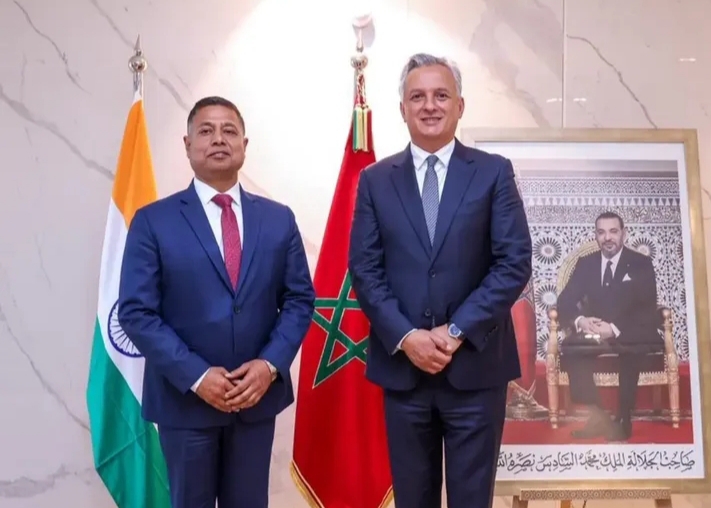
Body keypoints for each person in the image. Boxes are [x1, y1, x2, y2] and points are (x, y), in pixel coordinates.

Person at [348, 53, 533, 508]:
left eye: (441, 95)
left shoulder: (493, 171)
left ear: (460, 106)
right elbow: (365, 269)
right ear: (403, 109)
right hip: (404, 372)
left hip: (476, 369)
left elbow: (513, 262)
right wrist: (407, 336)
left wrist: (455, 331)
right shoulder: (375, 180)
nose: (429, 105)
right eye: (418, 97)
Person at [118, 96, 315, 508]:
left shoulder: (278, 219)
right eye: (206, 131)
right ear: (187, 144)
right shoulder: (153, 221)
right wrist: (196, 375)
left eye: (229, 131)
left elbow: (299, 299)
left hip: (255, 400)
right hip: (184, 402)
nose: (218, 139)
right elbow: (136, 312)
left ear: (244, 144)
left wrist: (269, 366)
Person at [557, 211, 660, 442]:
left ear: (624, 233)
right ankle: (598, 416)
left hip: (632, 330)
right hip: (596, 332)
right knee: (572, 347)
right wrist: (581, 321)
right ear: (596, 236)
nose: (608, 238)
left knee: (630, 347)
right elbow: (564, 301)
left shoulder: (641, 263)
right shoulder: (586, 264)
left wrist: (613, 329)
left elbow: (646, 309)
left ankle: (623, 418)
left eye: (613, 231)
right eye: (601, 232)